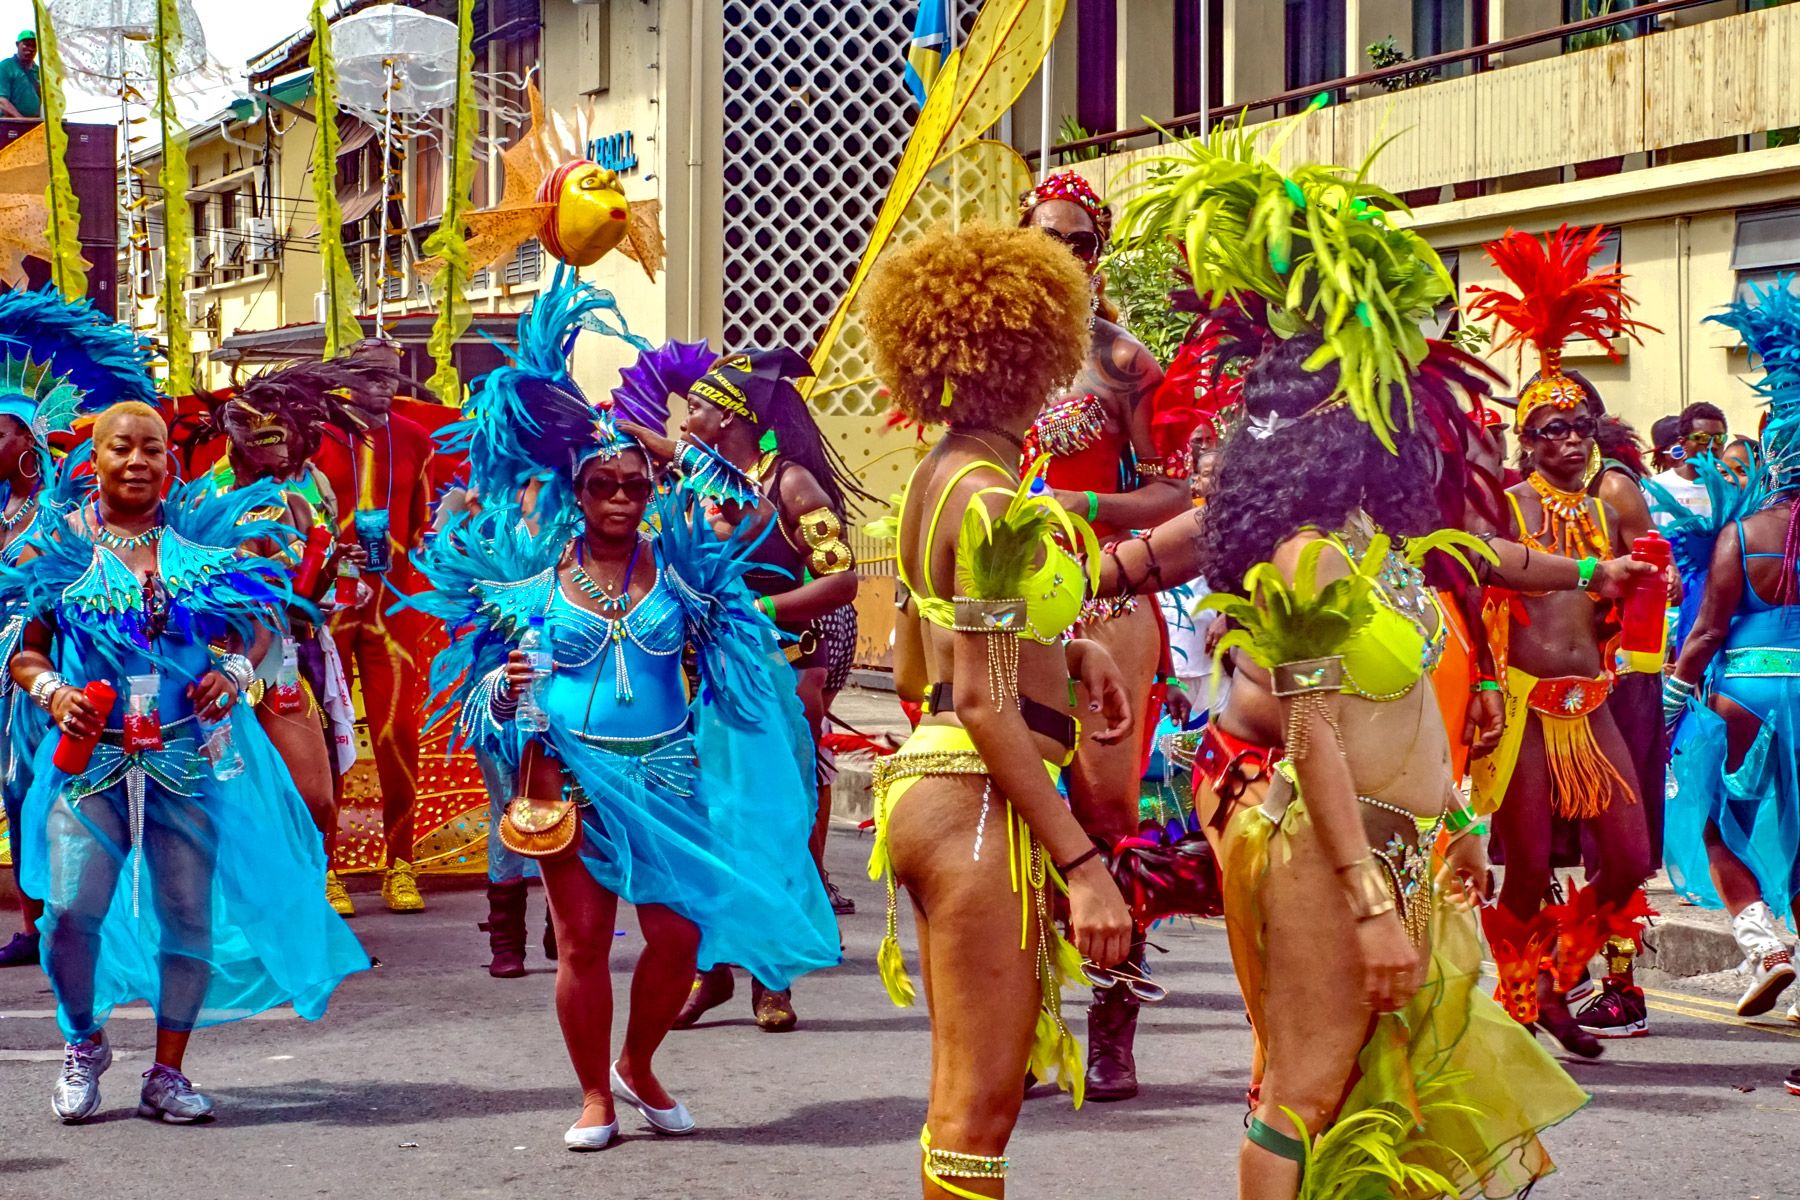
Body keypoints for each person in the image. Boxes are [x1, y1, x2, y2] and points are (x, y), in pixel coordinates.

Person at [1112, 136, 1633, 1197]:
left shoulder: (1379, 541)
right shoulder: (1303, 555)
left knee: (1366, 1084)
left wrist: (1450, 830)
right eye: (1395, 402)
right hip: (1321, 839)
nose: (1426, 425)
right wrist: (1367, 896)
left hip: (1394, 843)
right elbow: (1307, 732)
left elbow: (1479, 563)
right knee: (1303, 1088)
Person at [414, 271, 837, 1148]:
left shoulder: (683, 574)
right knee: (582, 944)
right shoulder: (529, 583)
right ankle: (594, 1099)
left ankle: (638, 1065)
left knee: (680, 940)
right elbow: (476, 680)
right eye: (602, 485)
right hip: (567, 773)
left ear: (649, 495)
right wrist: (504, 690)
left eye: (632, 488)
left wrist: (766, 685)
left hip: (669, 774)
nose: (617, 499)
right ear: (577, 490)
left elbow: (744, 653)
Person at [2, 391, 368, 1124]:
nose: (137, 460)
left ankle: (167, 1072)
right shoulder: (60, 545)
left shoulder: (205, 546)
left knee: (185, 915)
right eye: (121, 447)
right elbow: (28, 648)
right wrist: (50, 692)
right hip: (92, 762)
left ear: (172, 461)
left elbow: (259, 624)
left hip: (185, 763)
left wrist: (233, 672)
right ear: (93, 458)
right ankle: (84, 1042)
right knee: (72, 911)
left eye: (153, 448)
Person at [861, 219, 1134, 1197]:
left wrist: (1068, 644)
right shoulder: (990, 501)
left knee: (961, 1104)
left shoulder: (945, 478)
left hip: (945, 792)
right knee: (981, 1109)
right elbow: (982, 700)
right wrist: (1083, 861)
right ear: (1031, 356)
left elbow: (951, 639)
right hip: (980, 798)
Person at [626, 348, 867, 1032]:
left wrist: (754, 614)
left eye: (698, 406)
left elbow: (841, 583)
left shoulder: (793, 488)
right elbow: (658, 444)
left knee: (769, 820)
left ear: (732, 417)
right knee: (710, 824)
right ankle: (711, 972)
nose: (686, 415)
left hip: (775, 675)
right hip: (700, 678)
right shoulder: (704, 476)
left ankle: (772, 979)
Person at [1018, 169, 1192, 1101]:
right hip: (1009, 603)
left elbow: (1177, 494)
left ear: (1099, 253)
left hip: (1103, 598)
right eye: (1045, 237)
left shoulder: (1125, 365)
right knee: (1004, 812)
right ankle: (1026, 1017)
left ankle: (1113, 1025)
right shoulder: (990, 355)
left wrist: (1084, 504)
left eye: (1079, 242)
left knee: (1107, 819)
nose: (1062, 255)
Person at [1466, 225, 1658, 1057]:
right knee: (1531, 867)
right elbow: (1476, 600)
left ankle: (1553, 970)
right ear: (1525, 441)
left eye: (1579, 426)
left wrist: (1648, 597)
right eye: (1548, 429)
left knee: (1630, 859)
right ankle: (1526, 997)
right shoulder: (1505, 506)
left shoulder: (1617, 503)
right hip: (1523, 708)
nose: (1567, 440)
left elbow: (1634, 613)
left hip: (1597, 705)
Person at [1663, 278, 1800, 1022]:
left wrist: (1669, 702)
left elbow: (1709, 631)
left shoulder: (1744, 535)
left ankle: (1766, 946)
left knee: (1714, 820)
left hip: (1742, 691)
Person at [207, 360, 384, 916]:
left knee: (315, 795)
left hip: (296, 651)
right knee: (239, 793)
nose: (277, 455)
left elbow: (319, 590)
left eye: (282, 438)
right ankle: (248, 918)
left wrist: (335, 567)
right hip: (228, 658)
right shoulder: (210, 498)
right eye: (262, 442)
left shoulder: (311, 493)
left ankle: (308, 910)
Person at [313, 339, 435, 912]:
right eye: (373, 376)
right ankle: (327, 868)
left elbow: (420, 527)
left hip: (392, 608)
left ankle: (401, 864)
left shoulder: (413, 438)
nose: (386, 387)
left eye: (393, 377)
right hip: (328, 605)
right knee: (326, 735)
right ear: (347, 379)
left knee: (397, 734)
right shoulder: (314, 434)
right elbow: (294, 515)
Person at [0, 326, 49, 967]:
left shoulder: (65, 506)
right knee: (14, 796)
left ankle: (78, 919)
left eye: (2, 429)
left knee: (53, 791)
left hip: (49, 671)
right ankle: (33, 925)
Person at [1647, 401, 1729, 526]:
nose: (1712, 446)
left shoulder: (1731, 489)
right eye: (1702, 438)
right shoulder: (1656, 488)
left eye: (1719, 438)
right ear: (1682, 442)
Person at [0, 31, 39, 122]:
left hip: (34, 124)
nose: (30, 49)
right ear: (17, 45)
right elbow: (1, 101)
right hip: (9, 124)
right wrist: (22, 120)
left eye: (34, 46)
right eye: (26, 44)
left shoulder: (39, 71)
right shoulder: (5, 66)